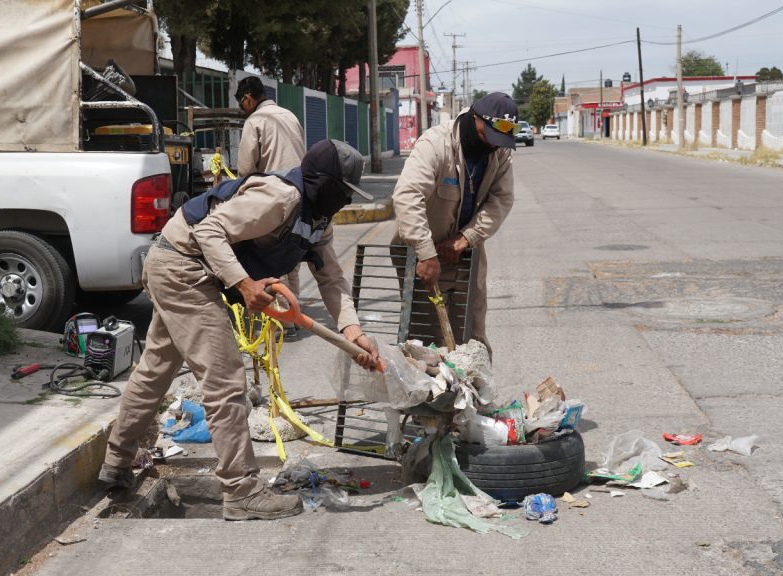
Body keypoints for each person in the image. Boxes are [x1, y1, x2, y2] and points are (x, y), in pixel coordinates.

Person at [98, 139, 379, 521]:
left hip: (182, 266)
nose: (345, 200)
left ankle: (116, 463)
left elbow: (331, 278)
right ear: (323, 183)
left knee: (156, 369)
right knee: (225, 380)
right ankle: (242, 490)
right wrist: (244, 284)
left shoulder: (318, 220)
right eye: (343, 191)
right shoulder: (280, 197)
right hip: (184, 267)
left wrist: (354, 332)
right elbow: (209, 232)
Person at [391, 92, 518, 354]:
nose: (492, 146)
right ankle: (434, 394)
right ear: (475, 119)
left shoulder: (500, 153)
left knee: (472, 338)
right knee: (428, 342)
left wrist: (466, 238)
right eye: (488, 137)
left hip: (465, 254)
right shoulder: (436, 144)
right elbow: (407, 196)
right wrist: (425, 253)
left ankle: (473, 394)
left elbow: (501, 200)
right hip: (422, 253)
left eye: (499, 141)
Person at [235, 76, 307, 338]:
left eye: (242, 104)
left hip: (274, 196)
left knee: (273, 258)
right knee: (292, 259)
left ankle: (285, 321)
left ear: (248, 99)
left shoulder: (255, 121)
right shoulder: (289, 115)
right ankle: (295, 316)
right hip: (301, 193)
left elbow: (245, 169)